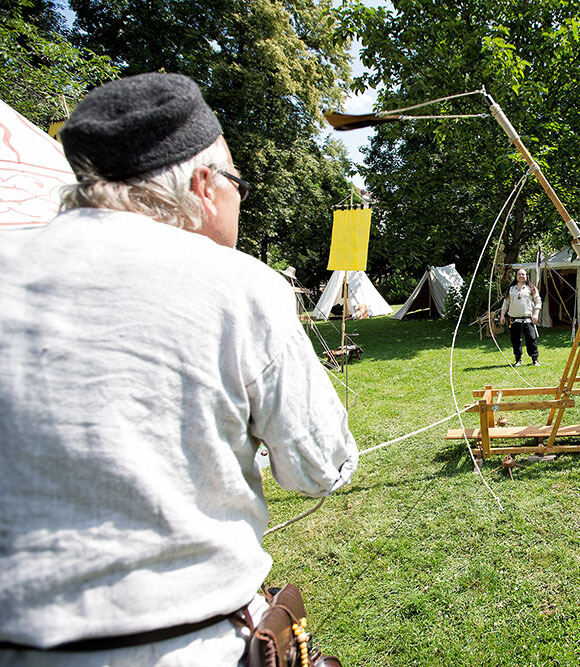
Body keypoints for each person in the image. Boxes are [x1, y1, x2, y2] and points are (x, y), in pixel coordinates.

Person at [0, 73, 359, 665]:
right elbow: (321, 467)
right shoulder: (239, 286)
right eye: (238, 181)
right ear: (203, 185)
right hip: (181, 647)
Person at [499, 268, 542, 366]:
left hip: (527, 319)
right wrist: (502, 315)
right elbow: (506, 303)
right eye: (519, 274)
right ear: (516, 276)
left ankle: (535, 359)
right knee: (515, 340)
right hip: (514, 319)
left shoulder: (532, 288)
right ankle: (518, 360)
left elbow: (538, 301)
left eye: (523, 274)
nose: (521, 276)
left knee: (531, 338)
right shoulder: (511, 289)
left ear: (526, 276)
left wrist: (536, 314)